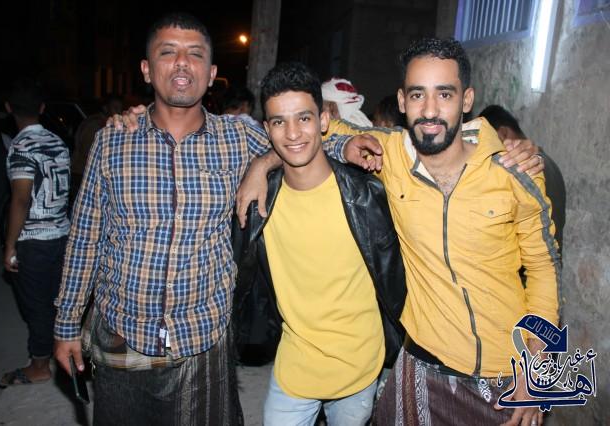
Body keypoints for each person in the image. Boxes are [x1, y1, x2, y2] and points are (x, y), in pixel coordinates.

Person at [54, 12, 356, 425]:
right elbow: (85, 238)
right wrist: (66, 324)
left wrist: (278, 158)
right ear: (147, 69)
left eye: (195, 54)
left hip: (202, 340)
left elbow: (302, 141)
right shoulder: (112, 141)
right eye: (168, 52)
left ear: (211, 74)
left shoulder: (237, 137)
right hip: (123, 335)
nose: (182, 62)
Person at [236, 37, 555, 426]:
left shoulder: (514, 171)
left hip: (505, 375)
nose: (430, 110)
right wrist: (262, 164)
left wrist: (539, 371)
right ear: (403, 101)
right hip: (419, 366)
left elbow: (544, 270)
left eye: (445, 94)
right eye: (418, 95)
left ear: (467, 99)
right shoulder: (389, 155)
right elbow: (303, 133)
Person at [232, 61, 406, 425]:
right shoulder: (260, 201)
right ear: (267, 129)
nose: (293, 133)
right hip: (295, 368)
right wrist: (260, 166)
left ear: (324, 120)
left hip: (360, 367)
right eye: (279, 122)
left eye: (304, 118)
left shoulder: (367, 195)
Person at [0, 78, 70, 388]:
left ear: (8, 108)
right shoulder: (58, 142)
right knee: (58, 300)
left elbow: (21, 199)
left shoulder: (20, 146)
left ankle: (40, 365)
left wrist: (10, 245)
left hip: (35, 241)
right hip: (62, 235)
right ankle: (64, 350)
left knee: (37, 305)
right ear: (41, 108)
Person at [479, 104, 566, 254]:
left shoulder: (523, 167)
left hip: (529, 264)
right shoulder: (548, 163)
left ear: (502, 133)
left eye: (487, 140)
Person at [70, 94, 123, 203]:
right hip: (81, 175)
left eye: (120, 108)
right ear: (105, 108)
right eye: (115, 108)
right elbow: (89, 153)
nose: (119, 111)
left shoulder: (109, 124)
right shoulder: (95, 125)